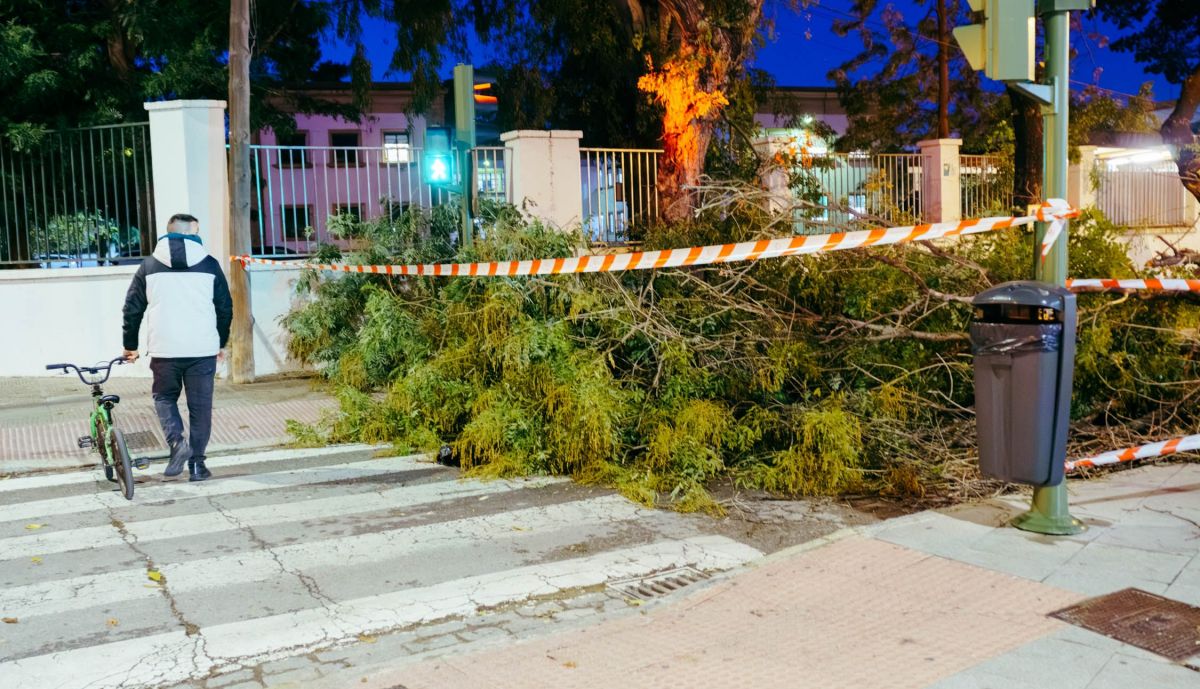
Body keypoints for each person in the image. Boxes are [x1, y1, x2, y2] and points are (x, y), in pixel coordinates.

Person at [121, 213, 232, 481]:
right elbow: (225, 308)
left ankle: (177, 443)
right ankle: (197, 465)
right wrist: (220, 341)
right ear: (194, 234)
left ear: (168, 232)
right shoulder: (209, 264)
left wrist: (130, 345)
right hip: (202, 350)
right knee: (200, 407)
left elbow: (132, 308)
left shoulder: (148, 266)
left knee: (164, 398)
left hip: (164, 349)